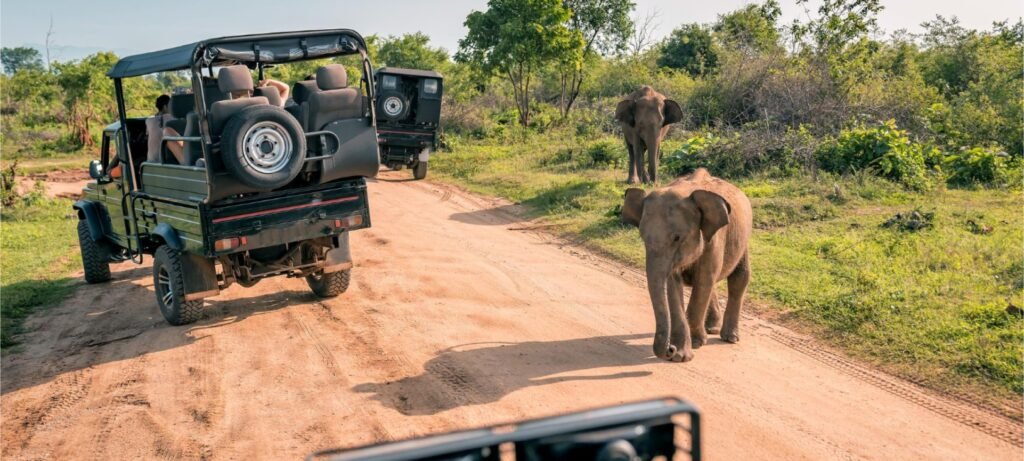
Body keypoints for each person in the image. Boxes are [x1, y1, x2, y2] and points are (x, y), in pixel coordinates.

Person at [145, 95, 177, 163]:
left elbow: (148, 135)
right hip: (168, 161)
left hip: (151, 161)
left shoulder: (149, 121)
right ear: (165, 107)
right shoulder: (174, 119)